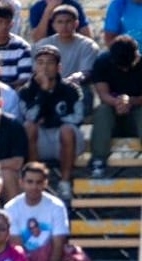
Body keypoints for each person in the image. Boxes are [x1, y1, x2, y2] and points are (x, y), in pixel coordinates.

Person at [3, 161, 95, 261]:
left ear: (45, 183)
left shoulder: (56, 206)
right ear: (21, 183)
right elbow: (16, 246)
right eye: (30, 182)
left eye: (39, 182)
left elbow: (59, 244)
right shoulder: (11, 208)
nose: (34, 186)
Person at [19, 45, 85, 196]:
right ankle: (35, 181)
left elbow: (78, 117)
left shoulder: (71, 89)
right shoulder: (26, 91)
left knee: (67, 130)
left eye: (49, 63)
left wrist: (54, 120)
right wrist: (42, 91)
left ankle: (65, 183)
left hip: (64, 138)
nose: (44, 67)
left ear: (58, 67)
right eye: (40, 63)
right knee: (29, 127)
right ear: (35, 66)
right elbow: (30, 117)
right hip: (39, 139)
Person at [88, 34, 142, 178]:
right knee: (102, 110)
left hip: (136, 117)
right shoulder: (102, 62)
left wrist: (130, 101)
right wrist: (119, 102)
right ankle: (98, 160)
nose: (124, 70)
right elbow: (103, 94)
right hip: (112, 115)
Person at [33, 4, 99, 108]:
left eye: (68, 21)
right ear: (53, 25)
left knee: (84, 91)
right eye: (60, 22)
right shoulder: (43, 45)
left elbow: (86, 72)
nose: (64, 26)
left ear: (76, 23)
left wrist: (76, 77)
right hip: (48, 86)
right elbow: (36, 72)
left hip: (75, 88)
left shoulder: (88, 45)